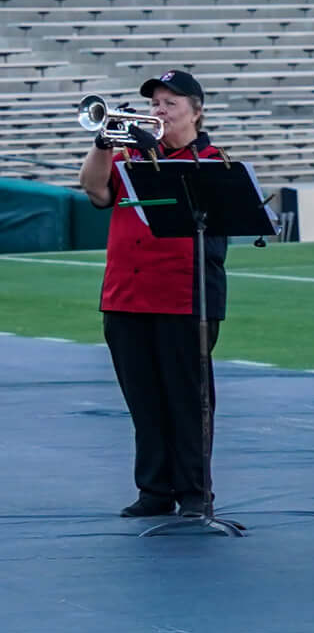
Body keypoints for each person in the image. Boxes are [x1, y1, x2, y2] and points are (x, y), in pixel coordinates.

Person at [82, 71, 232, 520]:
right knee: (142, 400)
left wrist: (153, 154)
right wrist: (103, 142)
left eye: (170, 104)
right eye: (155, 103)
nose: (158, 111)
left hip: (184, 296)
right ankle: (154, 489)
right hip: (125, 293)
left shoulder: (211, 158)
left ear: (196, 111)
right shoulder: (127, 154)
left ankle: (194, 490)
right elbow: (93, 188)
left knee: (188, 399)